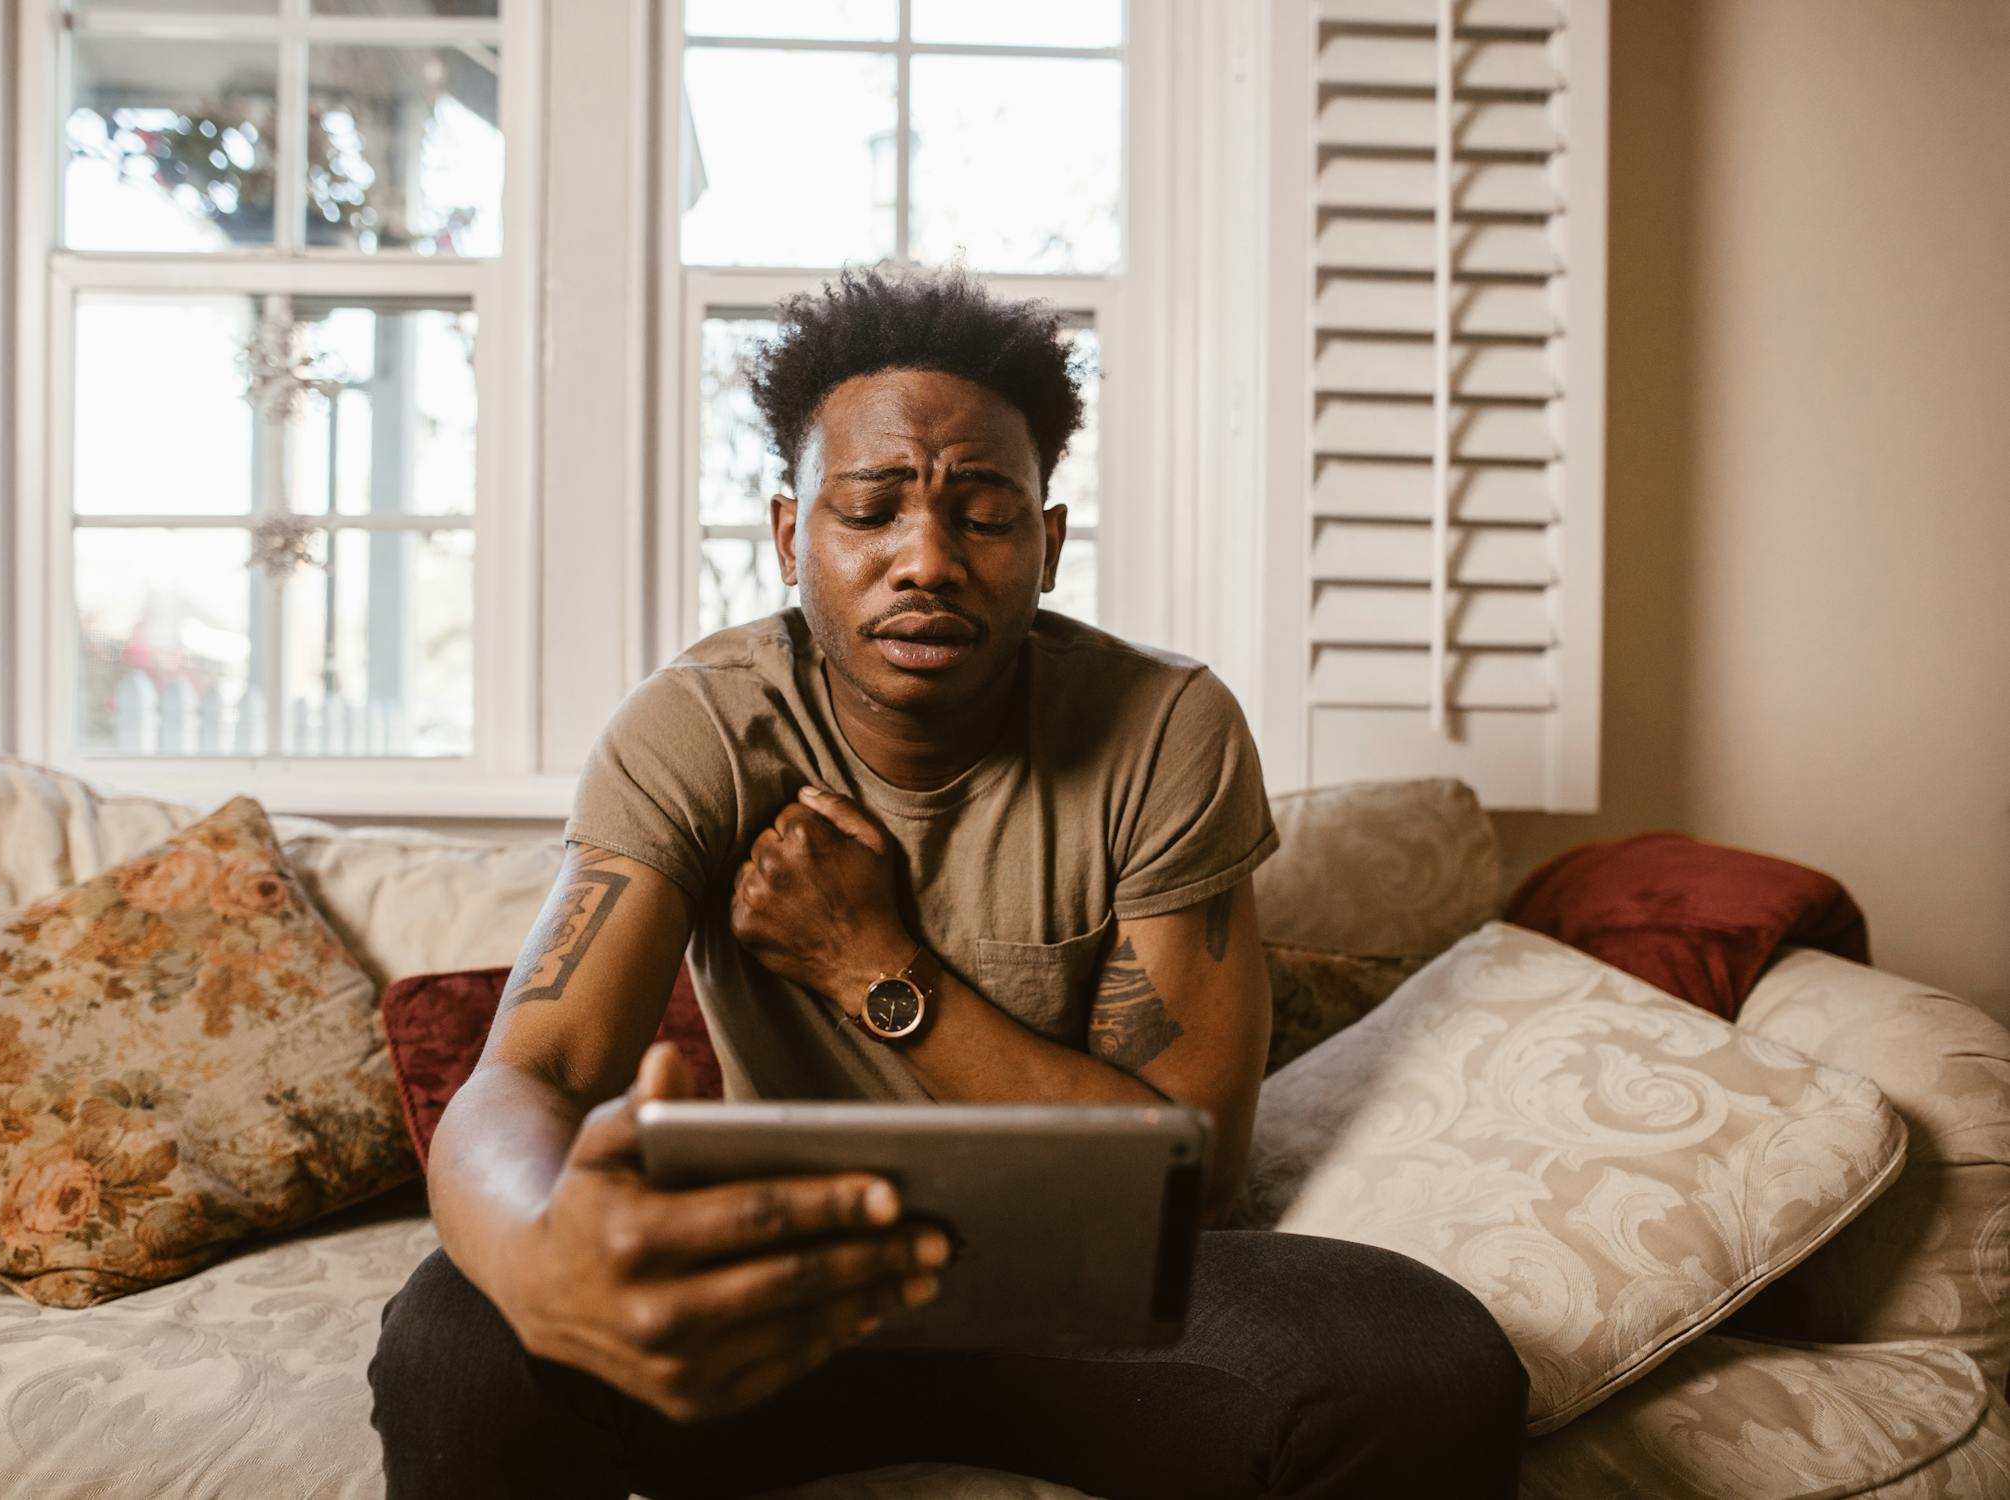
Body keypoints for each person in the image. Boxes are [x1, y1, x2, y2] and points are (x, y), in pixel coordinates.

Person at [368, 266, 1528, 1498]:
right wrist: (546, 1257)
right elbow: (528, 1075)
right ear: (788, 536)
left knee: (1425, 1360)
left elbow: (1190, 1161)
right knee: (459, 1336)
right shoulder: (700, 726)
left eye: (982, 512)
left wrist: (879, 969)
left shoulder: (1163, 726)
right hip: (777, 1291)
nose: (926, 558)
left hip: (1073, 1299)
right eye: (870, 510)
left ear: (1048, 541)